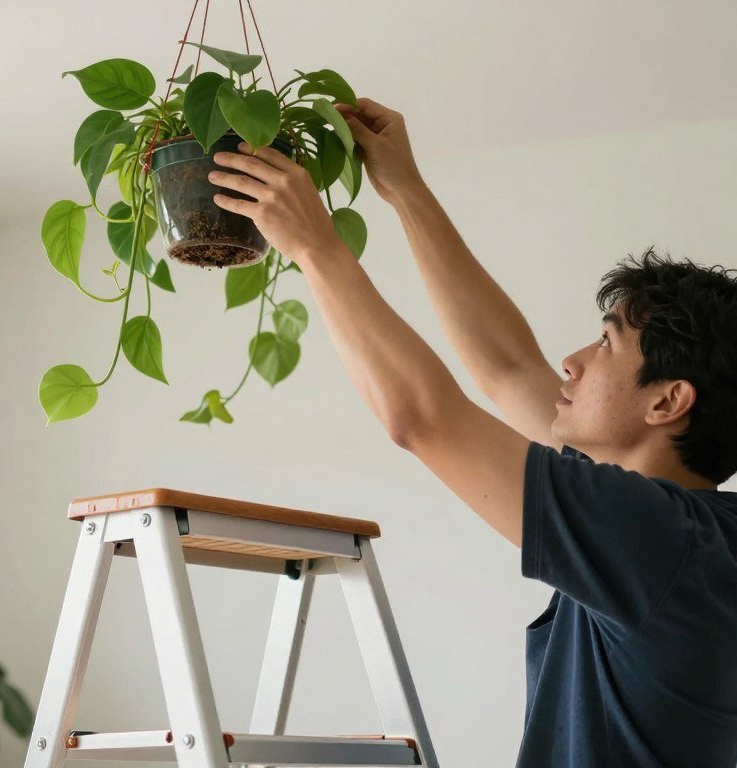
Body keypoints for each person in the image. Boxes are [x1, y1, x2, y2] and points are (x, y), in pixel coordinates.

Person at [209, 98, 737, 767]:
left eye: (606, 343)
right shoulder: (695, 535)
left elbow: (423, 418)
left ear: (668, 401)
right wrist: (406, 191)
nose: (572, 361)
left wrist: (315, 246)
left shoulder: (659, 541)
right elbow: (506, 365)